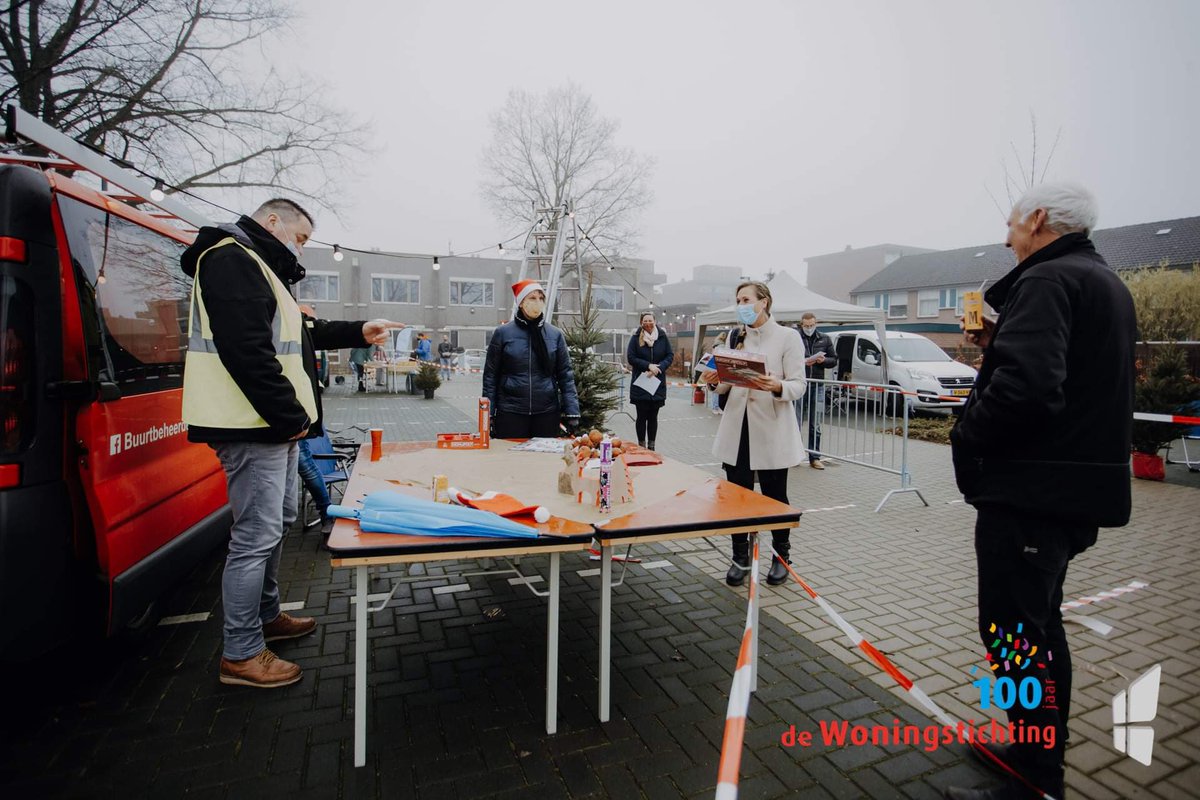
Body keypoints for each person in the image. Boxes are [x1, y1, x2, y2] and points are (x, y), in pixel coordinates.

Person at [945, 184, 1135, 800]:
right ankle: (1035, 753)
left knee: (1012, 634)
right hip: (1070, 490)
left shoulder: (1048, 279)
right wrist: (1001, 340)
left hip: (1033, 493)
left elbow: (1028, 389)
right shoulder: (1101, 280)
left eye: (1010, 224)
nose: (1006, 239)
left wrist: (965, 434)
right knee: (1039, 627)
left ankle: (1035, 774)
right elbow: (1067, 372)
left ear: (1038, 219)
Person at [180, 198, 404, 689]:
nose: (300, 247)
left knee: (277, 522)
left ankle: (266, 617)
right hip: (252, 425)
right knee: (254, 536)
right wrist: (291, 418)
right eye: (300, 237)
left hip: (269, 426)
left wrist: (357, 331)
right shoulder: (231, 259)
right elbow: (248, 352)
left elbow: (298, 334)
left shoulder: (258, 267)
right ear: (272, 221)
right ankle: (242, 653)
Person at [699, 281, 806, 586]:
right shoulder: (735, 337)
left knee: (775, 496)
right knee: (737, 497)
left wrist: (778, 386)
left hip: (771, 429)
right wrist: (713, 380)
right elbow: (725, 385)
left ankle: (781, 557)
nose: (741, 305)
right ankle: (740, 557)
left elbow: (799, 384)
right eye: (738, 300)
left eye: (746, 299)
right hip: (737, 428)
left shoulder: (787, 337)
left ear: (764, 302)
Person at [483, 279, 580, 438]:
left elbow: (565, 376)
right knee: (509, 453)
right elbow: (490, 376)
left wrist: (572, 412)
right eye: (532, 298)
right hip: (511, 411)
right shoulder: (502, 333)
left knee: (544, 454)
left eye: (541, 298)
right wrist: (488, 413)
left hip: (546, 412)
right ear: (521, 302)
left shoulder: (555, 335)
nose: (537, 302)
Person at [794, 312, 838, 469]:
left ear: (816, 324)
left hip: (817, 385)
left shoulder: (824, 338)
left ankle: (815, 457)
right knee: (796, 422)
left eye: (811, 325)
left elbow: (834, 359)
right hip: (799, 383)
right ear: (801, 324)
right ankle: (795, 455)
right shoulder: (795, 337)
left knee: (816, 423)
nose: (809, 328)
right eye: (806, 326)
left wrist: (823, 360)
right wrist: (801, 362)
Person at [626, 311, 674, 450]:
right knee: (641, 416)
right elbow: (631, 357)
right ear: (641, 322)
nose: (648, 323)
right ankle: (641, 445)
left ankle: (651, 447)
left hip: (657, 383)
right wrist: (648, 366)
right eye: (645, 321)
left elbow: (670, 355)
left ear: (655, 321)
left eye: (650, 320)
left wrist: (659, 367)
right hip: (641, 383)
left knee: (653, 417)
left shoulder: (662, 337)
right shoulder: (636, 338)